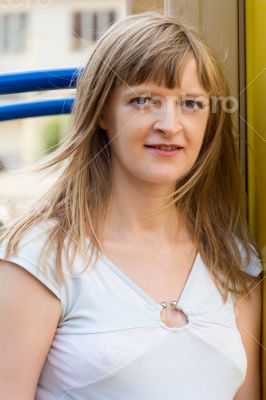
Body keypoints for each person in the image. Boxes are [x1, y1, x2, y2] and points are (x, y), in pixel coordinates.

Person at [0, 11, 263, 400]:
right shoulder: (37, 259)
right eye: (144, 100)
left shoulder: (235, 262)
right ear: (103, 112)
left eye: (191, 104)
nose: (169, 124)